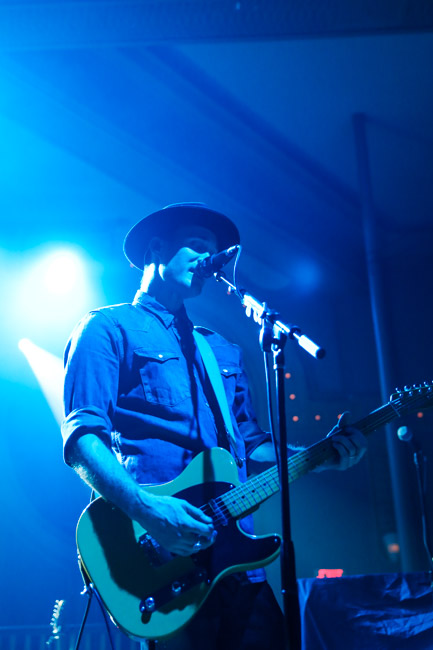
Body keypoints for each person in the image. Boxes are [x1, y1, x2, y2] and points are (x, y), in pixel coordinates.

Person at [61, 203, 367, 649]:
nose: (209, 258)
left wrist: (319, 456)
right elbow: (82, 440)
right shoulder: (107, 328)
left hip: (236, 564)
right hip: (161, 557)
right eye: (196, 245)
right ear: (156, 249)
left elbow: (250, 445)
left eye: (214, 250)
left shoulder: (220, 349)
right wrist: (149, 510)